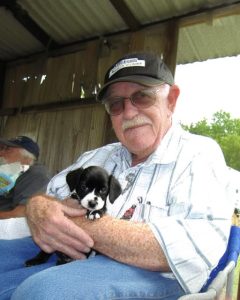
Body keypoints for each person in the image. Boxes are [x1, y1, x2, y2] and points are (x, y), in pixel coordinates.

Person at [0, 52, 233, 299]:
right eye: (116, 104)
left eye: (142, 96)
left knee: (46, 292)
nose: (129, 113)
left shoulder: (198, 154)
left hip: (151, 272)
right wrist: (38, 206)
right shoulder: (94, 157)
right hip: (66, 252)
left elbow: (193, 249)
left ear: (171, 100)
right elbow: (46, 199)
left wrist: (77, 222)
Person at [0, 136, 51, 218]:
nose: (1, 153)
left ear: (26, 156)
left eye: (7, 149)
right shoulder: (12, 173)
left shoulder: (36, 174)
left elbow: (22, 214)